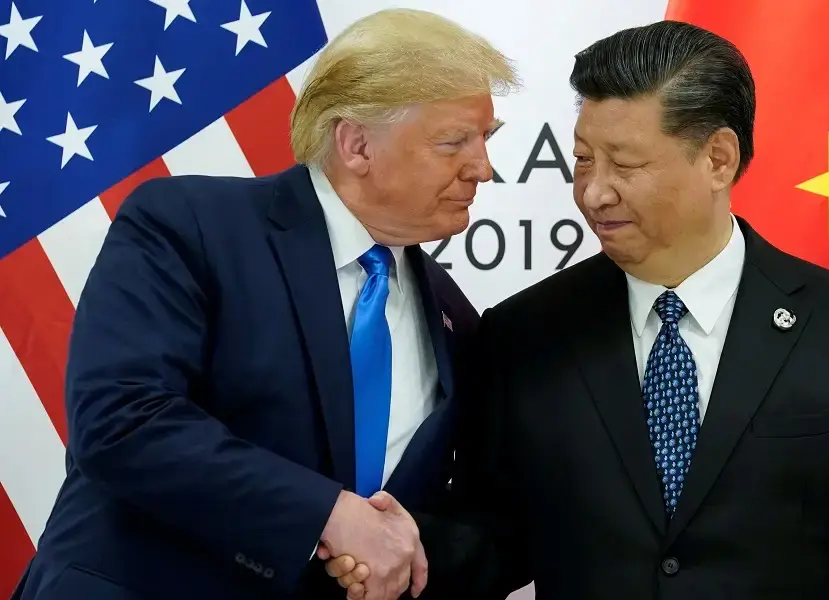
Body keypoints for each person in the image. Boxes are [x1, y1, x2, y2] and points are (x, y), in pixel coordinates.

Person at [330, 19, 829, 600]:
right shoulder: (524, 334)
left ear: (718, 159)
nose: (593, 192)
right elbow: (493, 539)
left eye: (625, 165)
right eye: (582, 161)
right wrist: (392, 550)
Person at [11, 8, 517, 600]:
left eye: (486, 140)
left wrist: (394, 546)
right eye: (453, 142)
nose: (483, 168)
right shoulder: (189, 225)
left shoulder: (454, 317)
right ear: (355, 145)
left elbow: (447, 516)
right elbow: (121, 418)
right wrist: (330, 515)